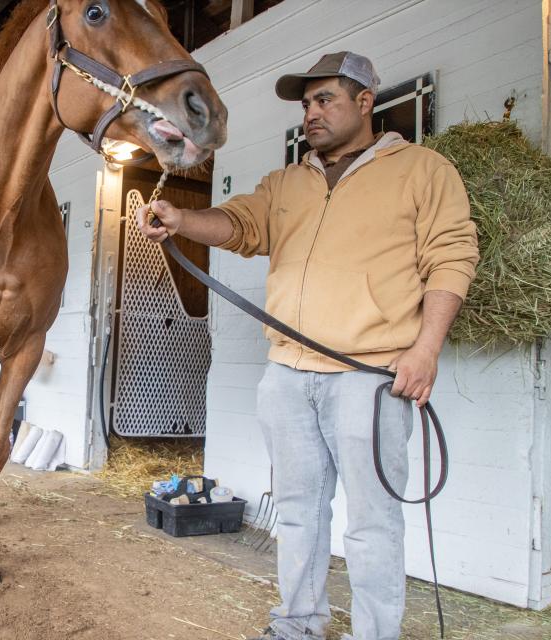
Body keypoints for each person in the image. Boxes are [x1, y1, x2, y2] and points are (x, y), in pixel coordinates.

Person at [137, 52, 479, 640]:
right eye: (306, 104)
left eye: (325, 100)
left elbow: (453, 256)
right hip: (288, 374)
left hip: (369, 376)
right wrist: (181, 221)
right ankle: (296, 624)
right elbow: (241, 225)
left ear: (365, 101)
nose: (311, 114)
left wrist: (426, 350)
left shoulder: (423, 169)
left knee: (372, 522)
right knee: (297, 512)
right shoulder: (289, 181)